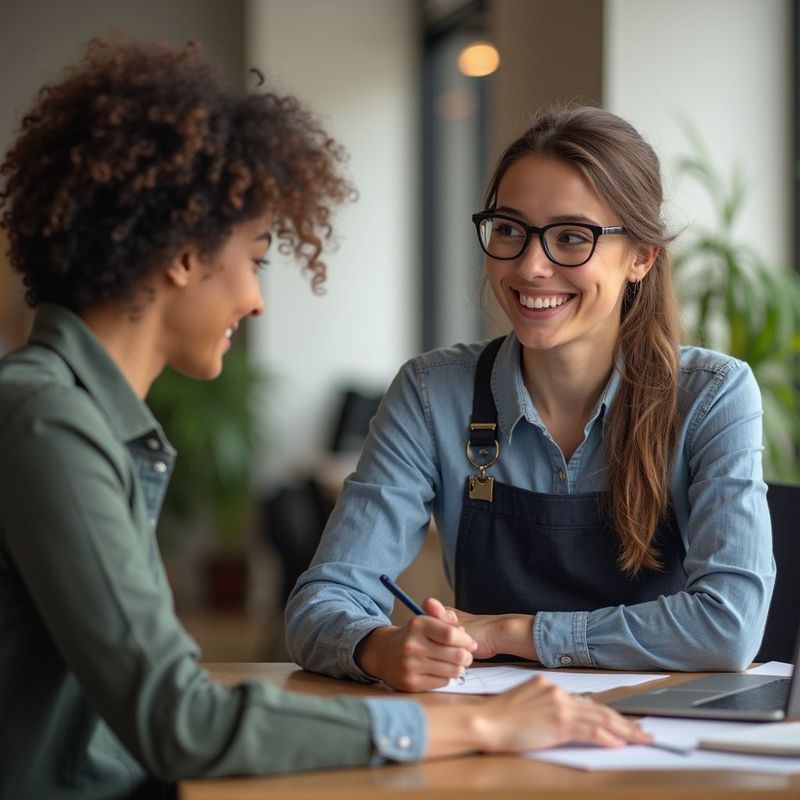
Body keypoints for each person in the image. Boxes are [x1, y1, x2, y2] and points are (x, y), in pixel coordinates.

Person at [0, 40, 649, 800]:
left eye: (570, 238)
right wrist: (478, 725)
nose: (257, 298)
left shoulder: (71, 415)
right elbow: (182, 720)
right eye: (257, 256)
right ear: (181, 252)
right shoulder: (50, 421)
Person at [286, 104, 776, 692]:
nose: (530, 266)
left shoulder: (711, 396)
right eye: (510, 230)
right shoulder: (430, 393)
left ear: (641, 257)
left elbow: (729, 626)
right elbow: (322, 600)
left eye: (572, 237)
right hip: (491, 734)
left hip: (659, 741)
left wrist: (515, 633)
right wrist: (380, 646)